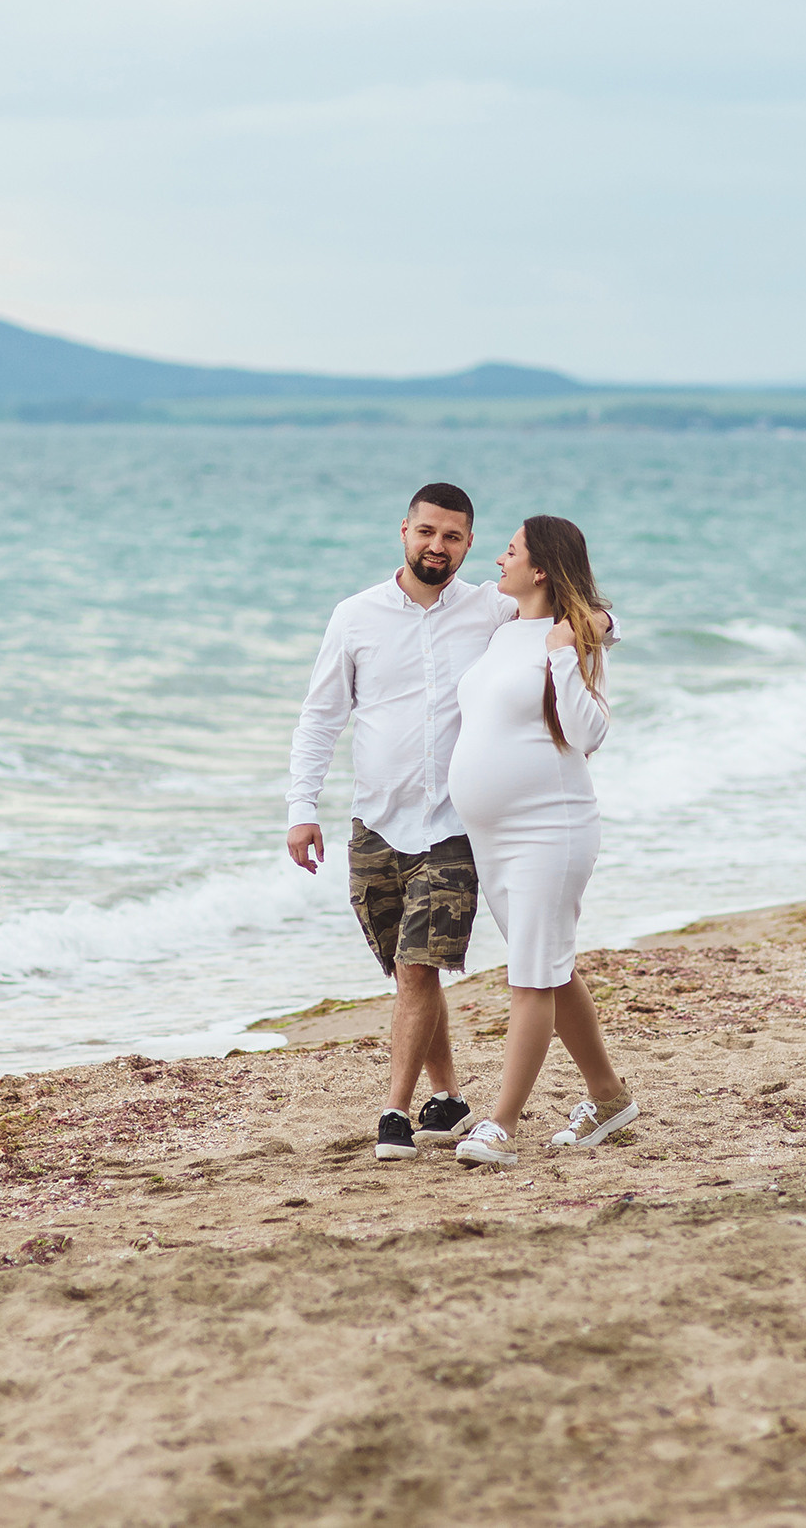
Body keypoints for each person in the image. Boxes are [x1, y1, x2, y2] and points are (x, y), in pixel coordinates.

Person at [285, 484, 504, 1161]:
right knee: (414, 970)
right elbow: (321, 717)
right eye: (427, 531)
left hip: (454, 823)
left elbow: (577, 613)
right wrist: (302, 809)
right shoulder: (355, 616)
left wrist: (604, 626)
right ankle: (450, 1097)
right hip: (375, 822)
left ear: (469, 543)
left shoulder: (492, 609)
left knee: (416, 967)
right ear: (403, 530)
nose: (438, 546)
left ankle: (394, 1112)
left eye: (454, 536)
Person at [450, 516, 637, 1168]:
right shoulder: (504, 628)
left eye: (510, 550)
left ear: (540, 569)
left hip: (549, 827)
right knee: (550, 969)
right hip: (492, 836)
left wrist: (568, 646)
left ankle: (500, 1124)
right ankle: (609, 1097)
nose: (498, 558)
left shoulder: (570, 636)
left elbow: (589, 732)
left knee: (532, 973)